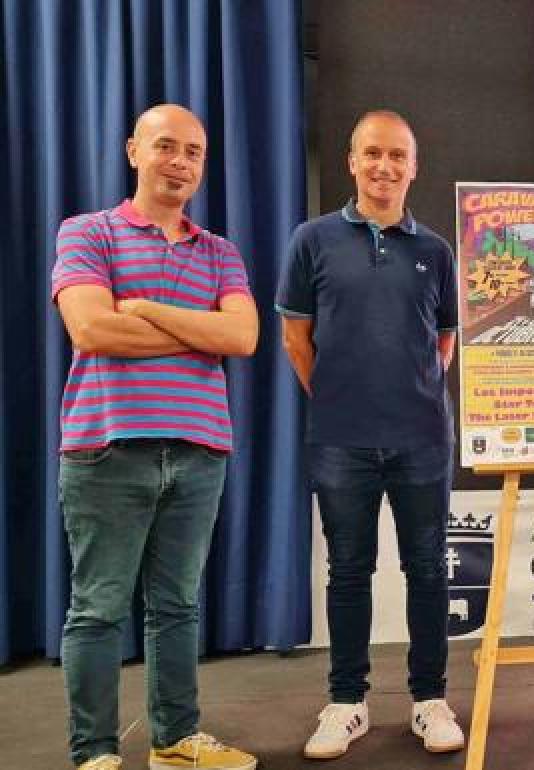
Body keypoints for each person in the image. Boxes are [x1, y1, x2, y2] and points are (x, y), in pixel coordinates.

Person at [51, 104, 259, 770]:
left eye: (194, 151)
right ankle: (95, 753)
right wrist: (198, 330)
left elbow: (243, 337)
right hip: (106, 447)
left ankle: (174, 741)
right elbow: (91, 329)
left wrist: (142, 309)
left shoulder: (220, 252)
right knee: (98, 609)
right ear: (133, 151)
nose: (181, 161)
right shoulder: (87, 233)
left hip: (200, 450)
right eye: (166, 146)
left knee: (178, 607)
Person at [276, 109, 462, 759]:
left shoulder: (435, 251)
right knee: (349, 571)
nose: (385, 166)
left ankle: (429, 700)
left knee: (428, 569)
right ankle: (346, 703)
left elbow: (443, 342)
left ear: (414, 167)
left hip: (423, 439)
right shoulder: (312, 240)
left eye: (397, 156)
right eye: (373, 153)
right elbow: (295, 338)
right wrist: (340, 395)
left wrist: (408, 392)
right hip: (341, 438)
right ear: (352, 161)